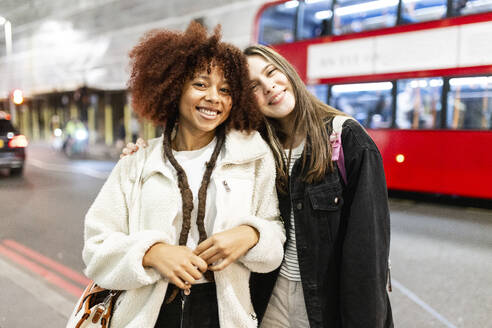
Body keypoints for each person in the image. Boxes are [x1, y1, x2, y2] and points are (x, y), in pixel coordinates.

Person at [124, 44, 393, 327]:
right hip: (269, 302)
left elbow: (368, 255)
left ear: (287, 70)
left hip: (324, 304)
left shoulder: (346, 140)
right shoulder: (254, 147)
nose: (269, 87)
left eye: (272, 72)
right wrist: (146, 151)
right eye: (254, 85)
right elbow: (195, 141)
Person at [83, 22, 285, 328]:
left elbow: (275, 236)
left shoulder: (252, 157)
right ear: (174, 87)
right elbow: (96, 250)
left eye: (225, 89)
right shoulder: (136, 163)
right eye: (201, 85)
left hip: (224, 315)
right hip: (149, 315)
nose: (214, 98)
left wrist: (250, 235)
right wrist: (151, 253)